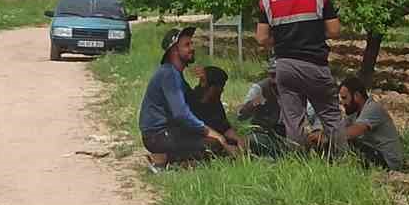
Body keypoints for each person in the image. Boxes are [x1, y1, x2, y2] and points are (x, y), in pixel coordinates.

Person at [256, 0, 345, 151]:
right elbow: (335, 31)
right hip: (315, 65)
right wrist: (312, 35)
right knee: (331, 116)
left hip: (285, 66)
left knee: (293, 119)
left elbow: (261, 38)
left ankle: (297, 161)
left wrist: (281, 40)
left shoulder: (268, 1)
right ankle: (343, 159)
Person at [138, 26, 230, 170]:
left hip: (167, 131)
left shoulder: (175, 75)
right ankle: (164, 161)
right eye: (187, 45)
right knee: (213, 144)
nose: (192, 48)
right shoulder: (169, 75)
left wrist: (204, 83)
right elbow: (182, 114)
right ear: (174, 51)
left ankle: (168, 159)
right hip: (158, 135)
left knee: (215, 139)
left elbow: (195, 104)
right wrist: (214, 134)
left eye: (191, 44)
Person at [239, 59, 323, 156]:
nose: (275, 80)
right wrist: (252, 105)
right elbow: (241, 116)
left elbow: (316, 111)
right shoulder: (260, 89)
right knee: (252, 141)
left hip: (291, 135)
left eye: (279, 75)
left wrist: (317, 130)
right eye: (272, 75)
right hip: (265, 133)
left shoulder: (299, 89)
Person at [339, 76, 404, 170]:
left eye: (344, 98)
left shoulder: (372, 109)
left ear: (357, 96)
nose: (342, 102)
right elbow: (340, 128)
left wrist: (328, 136)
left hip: (388, 161)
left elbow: (353, 132)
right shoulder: (354, 112)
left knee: (346, 142)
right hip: (376, 154)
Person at [187, 66, 243, 153]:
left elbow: (224, 127)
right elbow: (196, 128)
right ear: (211, 86)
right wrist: (223, 143)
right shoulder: (190, 101)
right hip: (192, 139)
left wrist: (238, 139)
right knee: (214, 144)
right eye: (220, 86)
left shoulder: (216, 103)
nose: (222, 90)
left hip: (213, 138)